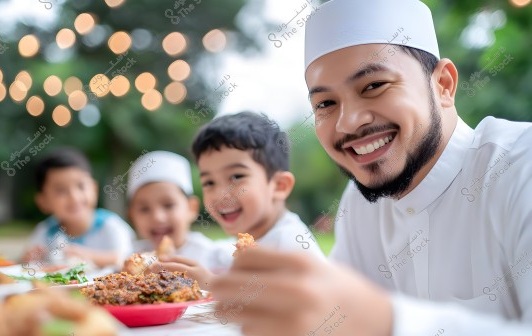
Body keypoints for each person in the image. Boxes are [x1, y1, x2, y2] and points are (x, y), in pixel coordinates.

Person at [211, 1, 532, 335]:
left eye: (374, 86)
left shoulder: (521, 166)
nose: (348, 123)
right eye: (325, 104)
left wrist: (386, 321)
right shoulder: (360, 203)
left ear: (444, 85)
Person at [151, 112, 326, 288]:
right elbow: (211, 254)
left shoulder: (290, 242)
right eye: (209, 182)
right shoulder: (240, 245)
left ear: (280, 185)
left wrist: (214, 285)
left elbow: (305, 304)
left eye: (236, 177)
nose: (220, 194)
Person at [22, 148, 135, 269]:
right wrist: (29, 258)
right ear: (43, 202)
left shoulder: (111, 226)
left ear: (94, 189)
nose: (74, 197)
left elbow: (128, 260)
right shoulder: (45, 232)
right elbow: (27, 266)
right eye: (61, 190)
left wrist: (88, 255)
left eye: (81, 186)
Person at [126, 150, 234, 272]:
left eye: (168, 205)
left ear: (191, 208)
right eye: (144, 209)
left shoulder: (215, 256)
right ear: (131, 215)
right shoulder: (129, 258)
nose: (157, 217)